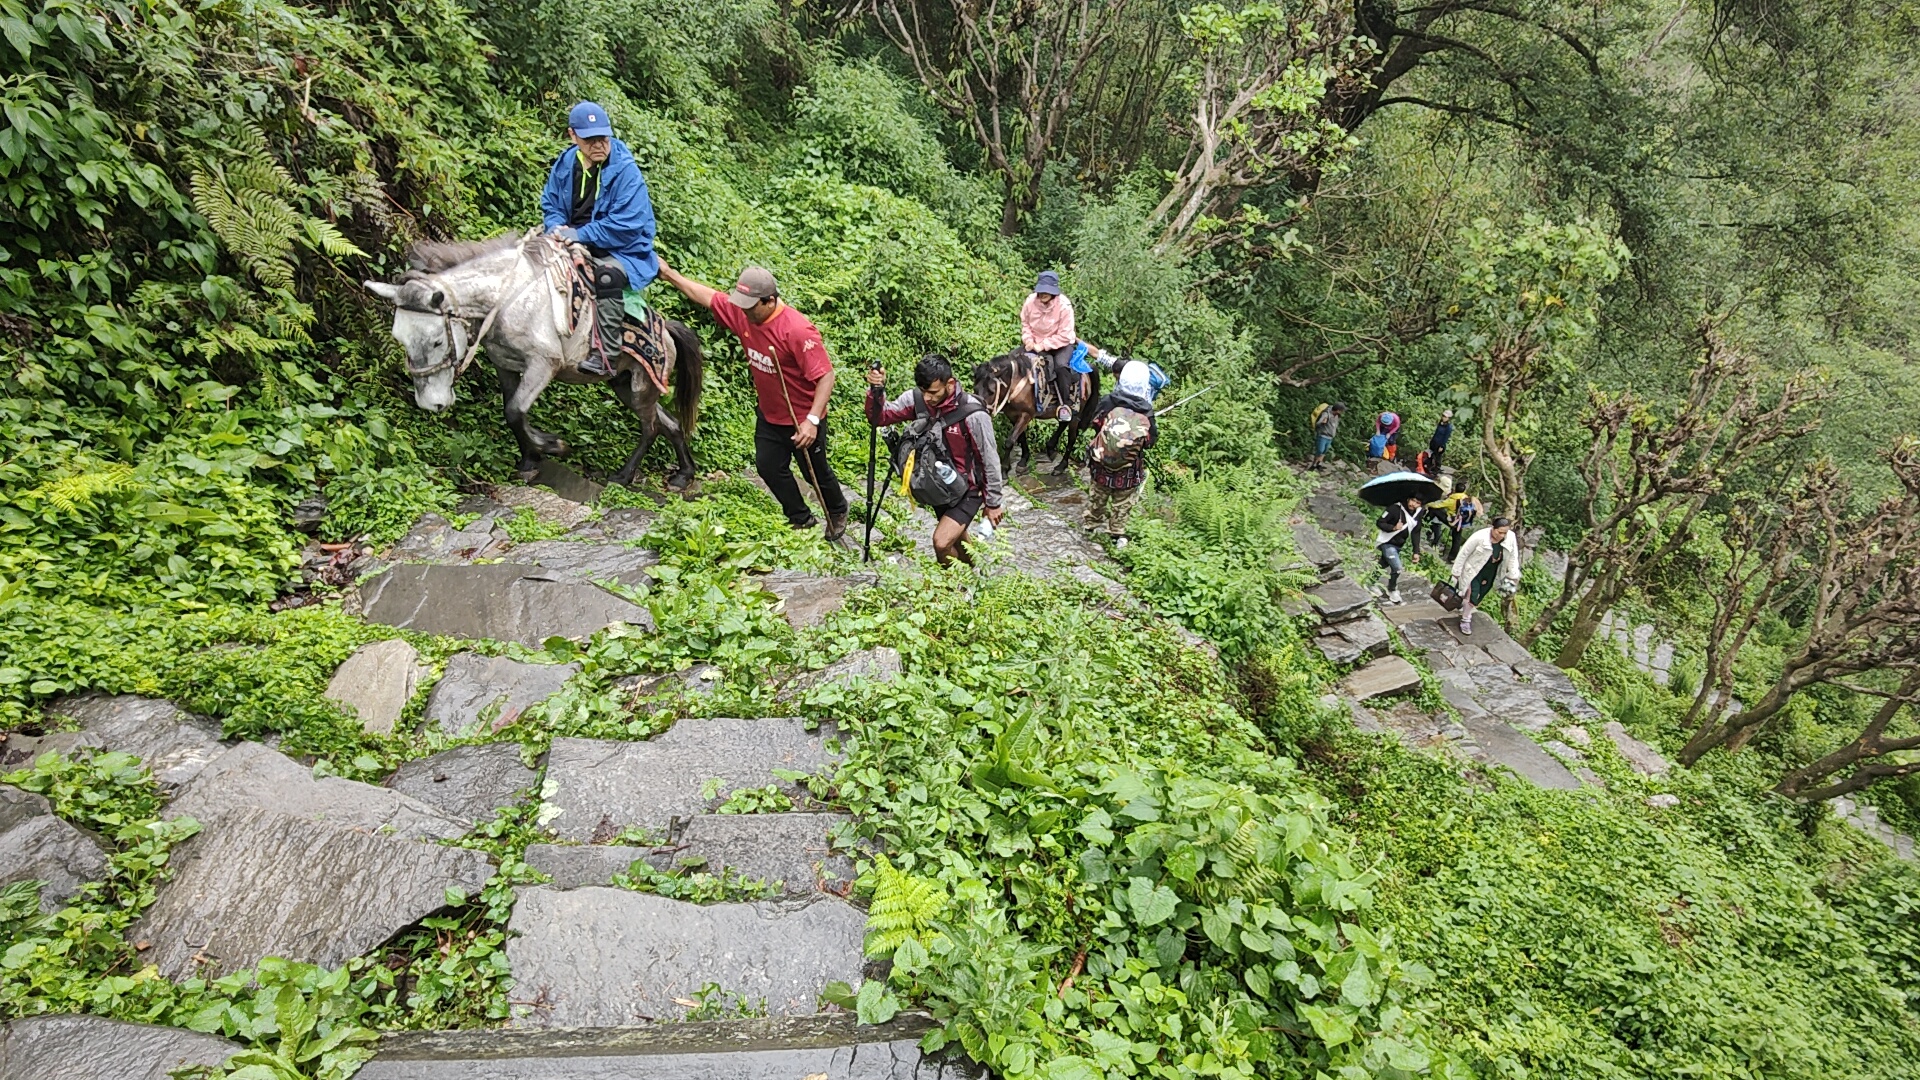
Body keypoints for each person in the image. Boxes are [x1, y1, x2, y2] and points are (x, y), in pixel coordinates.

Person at [656, 259, 848, 540]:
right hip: (770, 414)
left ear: (769, 301)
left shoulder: (796, 330)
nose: (743, 312)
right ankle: (800, 517)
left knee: (814, 473)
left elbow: (825, 377)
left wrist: (812, 420)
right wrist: (670, 275)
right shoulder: (744, 314)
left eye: (750, 306)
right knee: (768, 466)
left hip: (802, 417)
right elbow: (708, 297)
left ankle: (837, 509)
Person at [539, 102, 659, 377]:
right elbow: (552, 203)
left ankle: (606, 353)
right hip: (575, 237)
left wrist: (579, 235)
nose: (598, 145)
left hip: (624, 249)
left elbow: (626, 226)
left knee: (606, 276)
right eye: (590, 139)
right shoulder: (566, 162)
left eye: (603, 138)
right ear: (573, 136)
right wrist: (557, 227)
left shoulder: (627, 172)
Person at [865, 354, 1006, 565]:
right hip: (939, 487)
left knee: (941, 542)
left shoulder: (973, 414)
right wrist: (877, 391)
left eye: (933, 392)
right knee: (958, 541)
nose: (928, 398)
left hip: (969, 490)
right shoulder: (919, 400)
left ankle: (950, 589)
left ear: (950, 383)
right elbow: (881, 417)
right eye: (924, 392)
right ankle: (976, 578)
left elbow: (989, 459)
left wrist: (993, 503)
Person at [1084, 361, 1159, 550]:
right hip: (1128, 469)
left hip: (1101, 463)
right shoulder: (1146, 410)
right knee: (1122, 502)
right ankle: (1117, 534)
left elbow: (1095, 423)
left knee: (1097, 496)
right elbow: (1150, 441)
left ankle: (1091, 525)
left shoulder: (1109, 401)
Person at [1020, 271, 1081, 421]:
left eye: (1047, 291)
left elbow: (1065, 335)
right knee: (1014, 359)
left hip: (1061, 344)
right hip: (1035, 342)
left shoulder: (1064, 307)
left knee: (1060, 366)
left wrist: (1043, 345)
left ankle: (1065, 405)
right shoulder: (1030, 302)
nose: (1043, 294)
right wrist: (1028, 340)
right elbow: (1025, 323)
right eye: (1041, 291)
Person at [1450, 516, 1522, 635]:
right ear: (1493, 528)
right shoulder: (1479, 537)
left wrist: (1513, 574)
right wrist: (1456, 572)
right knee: (1473, 594)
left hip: (1492, 572)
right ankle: (1466, 620)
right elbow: (1464, 554)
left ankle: (1463, 603)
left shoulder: (1510, 537)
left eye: (1505, 533)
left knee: (1479, 596)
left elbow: (1513, 556)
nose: (1502, 536)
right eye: (1500, 532)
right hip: (1474, 570)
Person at [1375, 495, 1421, 604]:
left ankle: (1370, 582)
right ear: (1408, 499)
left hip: (1399, 544)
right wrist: (1393, 528)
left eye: (1417, 502)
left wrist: (1416, 551)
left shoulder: (1418, 513)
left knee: (1383, 564)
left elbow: (1416, 532)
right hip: (1387, 542)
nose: (1413, 504)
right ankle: (1392, 589)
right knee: (1397, 567)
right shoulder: (1395, 508)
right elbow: (1380, 522)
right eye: (1412, 500)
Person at [1416, 488, 1481, 559]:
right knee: (1457, 539)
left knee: (1434, 510)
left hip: (1451, 521)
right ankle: (1452, 558)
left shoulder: (1452, 500)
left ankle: (1423, 523)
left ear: (1455, 490)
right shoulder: (1467, 499)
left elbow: (1437, 505)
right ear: (1464, 491)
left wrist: (1426, 504)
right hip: (1461, 523)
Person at [1308, 401, 1345, 470]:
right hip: (1323, 435)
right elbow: (1317, 423)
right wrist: (1322, 422)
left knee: (1325, 450)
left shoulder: (1337, 416)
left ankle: (1319, 463)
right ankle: (1313, 464)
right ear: (1337, 410)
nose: (1342, 412)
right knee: (1320, 450)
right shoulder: (1326, 414)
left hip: (1330, 437)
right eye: (1341, 410)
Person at [1428, 408, 1454, 475]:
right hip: (1434, 442)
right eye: (1443, 416)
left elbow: (1446, 437)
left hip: (1440, 444)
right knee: (1431, 455)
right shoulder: (1440, 423)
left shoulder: (1448, 427)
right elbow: (1436, 433)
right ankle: (1430, 467)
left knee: (1437, 457)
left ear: (1449, 418)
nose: (1444, 418)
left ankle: (1437, 469)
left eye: (1446, 417)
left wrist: (1442, 446)